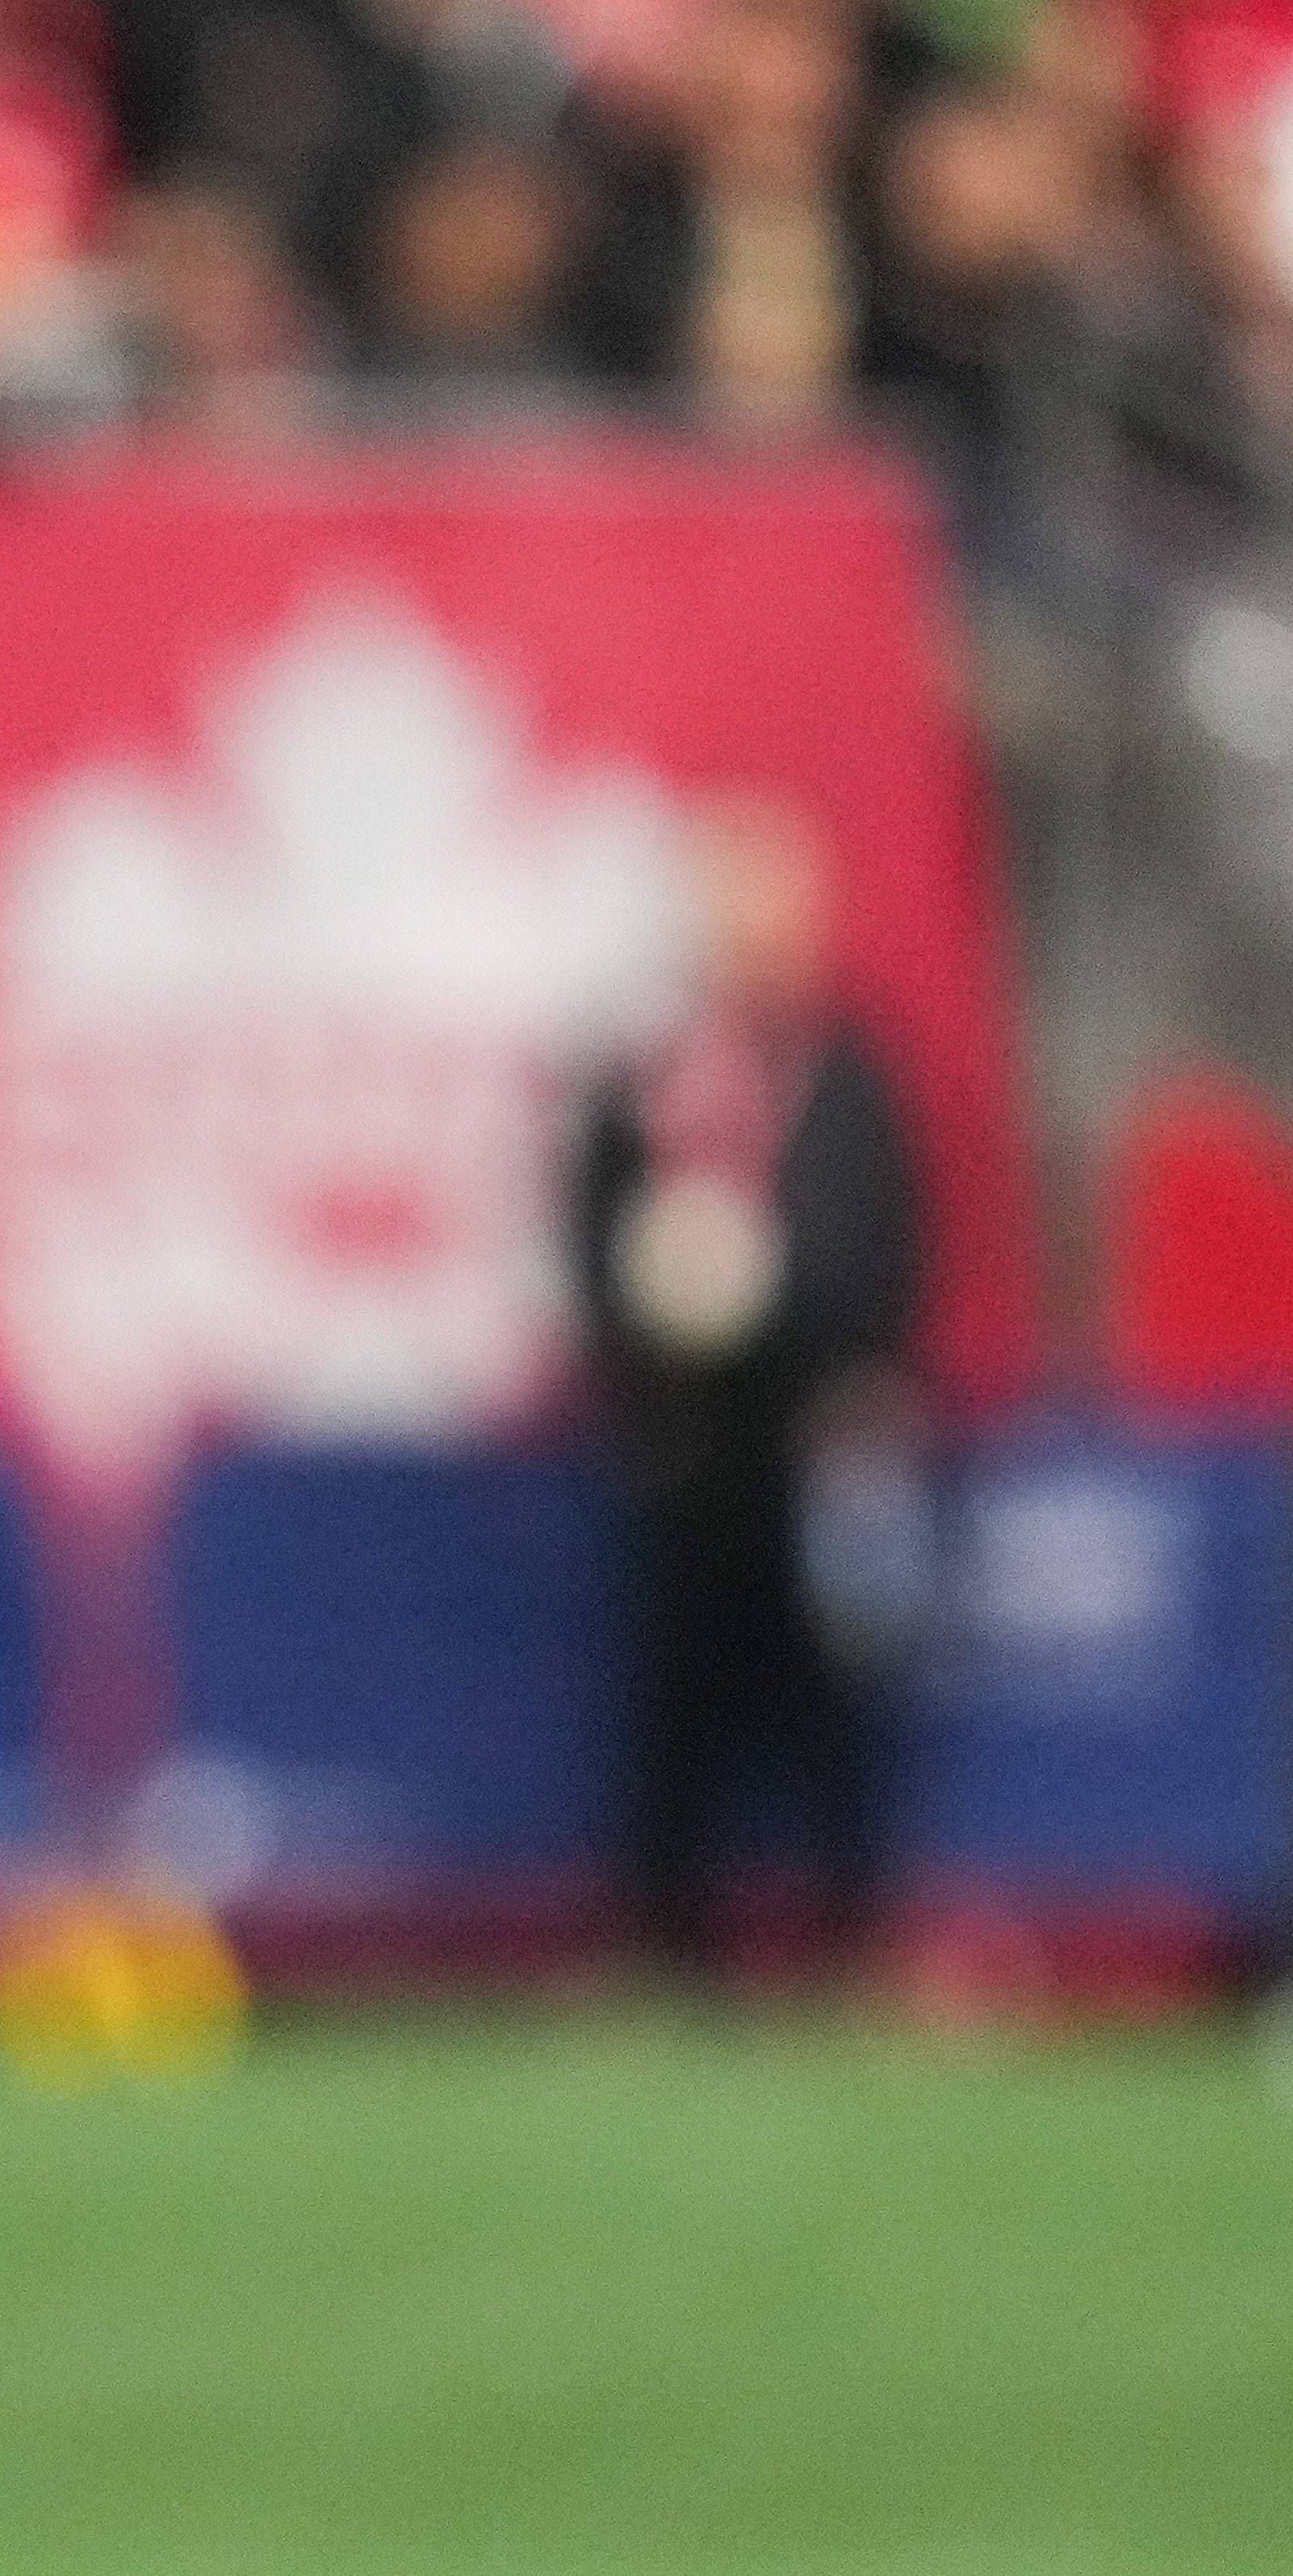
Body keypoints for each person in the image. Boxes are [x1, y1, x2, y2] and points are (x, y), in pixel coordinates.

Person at [564, 794, 922, 1971]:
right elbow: (586, 1230)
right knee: (675, 1693)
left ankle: (852, 1934)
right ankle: (661, 1935)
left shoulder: (844, 1068)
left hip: (814, 1437)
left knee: (840, 1693)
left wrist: (802, 1318)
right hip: (687, 1441)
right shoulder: (647, 1070)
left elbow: (886, 1239)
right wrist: (654, 1319)